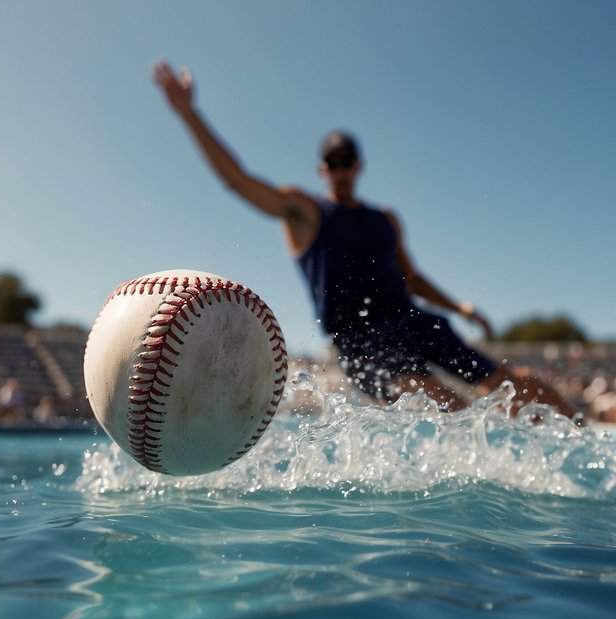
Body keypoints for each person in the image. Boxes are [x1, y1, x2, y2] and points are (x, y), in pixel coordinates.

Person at [152, 60, 574, 417]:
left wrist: (459, 306)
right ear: (322, 169)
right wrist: (190, 114)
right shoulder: (305, 213)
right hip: (359, 342)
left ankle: (581, 439)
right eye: (332, 162)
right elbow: (239, 182)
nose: (340, 168)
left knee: (509, 384)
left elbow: (414, 279)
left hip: (413, 322)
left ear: (358, 166)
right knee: (439, 401)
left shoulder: (386, 219)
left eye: (347, 161)